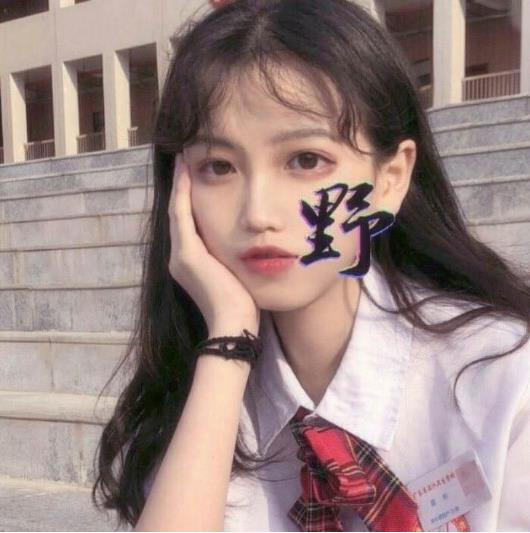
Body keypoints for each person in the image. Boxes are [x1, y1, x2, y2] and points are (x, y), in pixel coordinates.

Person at [90, 0, 530, 531]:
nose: (258, 213)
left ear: (389, 180)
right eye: (219, 166)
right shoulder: (188, 404)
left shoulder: (503, 381)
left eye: (306, 160)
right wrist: (228, 341)